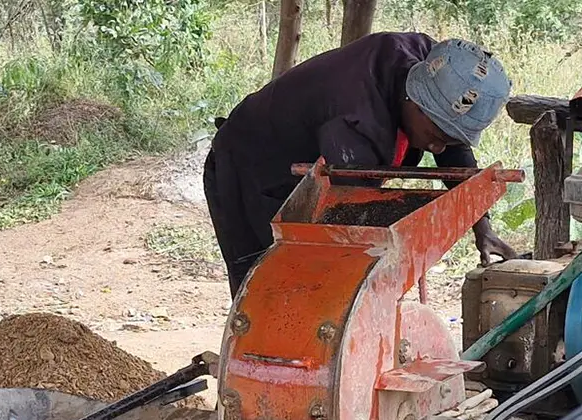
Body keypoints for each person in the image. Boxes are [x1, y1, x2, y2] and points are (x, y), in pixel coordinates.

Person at [203, 33, 517, 294]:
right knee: (270, 290)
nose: (437, 147)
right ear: (415, 100)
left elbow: (452, 148)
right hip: (250, 166)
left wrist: (481, 224)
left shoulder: (436, 66)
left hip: (324, 166)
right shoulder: (354, 121)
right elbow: (352, 224)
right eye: (434, 135)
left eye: (447, 140)